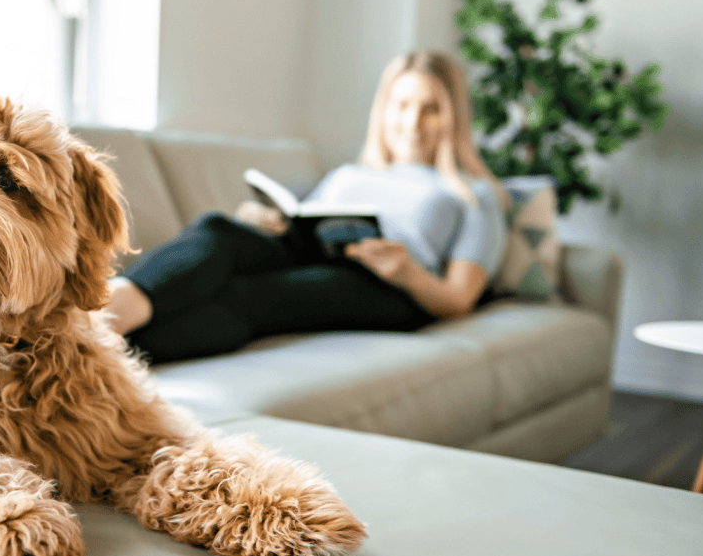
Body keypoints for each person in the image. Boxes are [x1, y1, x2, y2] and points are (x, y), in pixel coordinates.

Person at [105, 50, 513, 363]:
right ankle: (103, 315)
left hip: (386, 287)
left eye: (431, 109)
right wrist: (263, 222)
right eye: (402, 105)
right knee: (218, 230)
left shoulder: (474, 195)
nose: (412, 122)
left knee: (250, 296)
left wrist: (408, 273)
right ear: (384, 110)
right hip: (311, 253)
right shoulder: (350, 174)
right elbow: (304, 225)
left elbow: (459, 298)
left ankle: (101, 352)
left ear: (454, 117)